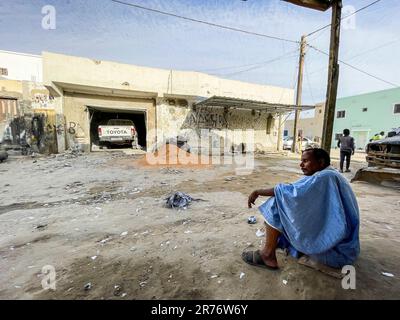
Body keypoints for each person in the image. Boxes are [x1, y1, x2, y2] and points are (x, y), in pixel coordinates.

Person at [242, 148, 360, 270]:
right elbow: (295, 189)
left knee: (276, 203)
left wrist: (258, 192)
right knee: (285, 203)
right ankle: (276, 244)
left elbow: (291, 193)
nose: (301, 165)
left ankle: (267, 255)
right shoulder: (328, 173)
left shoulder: (326, 176)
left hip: (336, 251)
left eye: (305, 161)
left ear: (321, 162)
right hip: (343, 245)